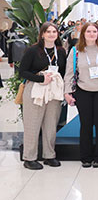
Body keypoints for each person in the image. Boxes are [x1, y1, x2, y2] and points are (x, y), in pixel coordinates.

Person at [63, 22, 98, 168]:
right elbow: (69, 73)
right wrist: (67, 92)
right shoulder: (76, 51)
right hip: (83, 91)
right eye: (88, 31)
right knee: (86, 125)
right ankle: (86, 157)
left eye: (94, 32)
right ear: (83, 33)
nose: (91, 34)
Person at [19, 22, 66, 170]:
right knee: (32, 124)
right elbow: (22, 72)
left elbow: (63, 71)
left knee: (51, 124)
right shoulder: (33, 50)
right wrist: (41, 79)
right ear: (42, 34)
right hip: (36, 89)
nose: (51, 34)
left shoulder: (61, 51)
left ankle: (49, 155)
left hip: (53, 90)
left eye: (54, 31)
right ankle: (29, 157)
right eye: (48, 32)